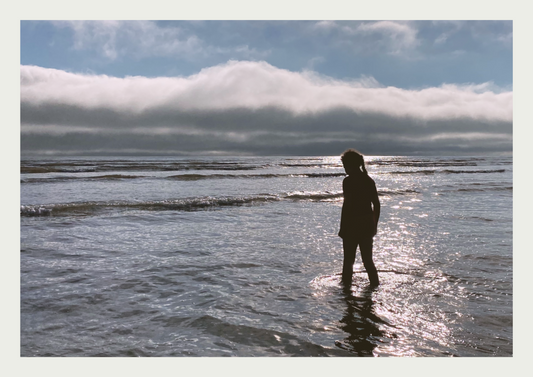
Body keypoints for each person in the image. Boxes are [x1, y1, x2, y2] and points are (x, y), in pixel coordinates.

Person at [338, 149, 380, 286]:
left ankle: (346, 289)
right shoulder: (368, 180)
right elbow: (376, 204)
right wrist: (374, 224)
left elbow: (347, 205)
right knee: (368, 260)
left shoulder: (348, 181)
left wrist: (343, 227)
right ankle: (375, 285)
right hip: (367, 223)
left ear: (349, 165)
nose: (344, 169)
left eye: (345, 165)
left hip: (352, 223)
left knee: (348, 260)